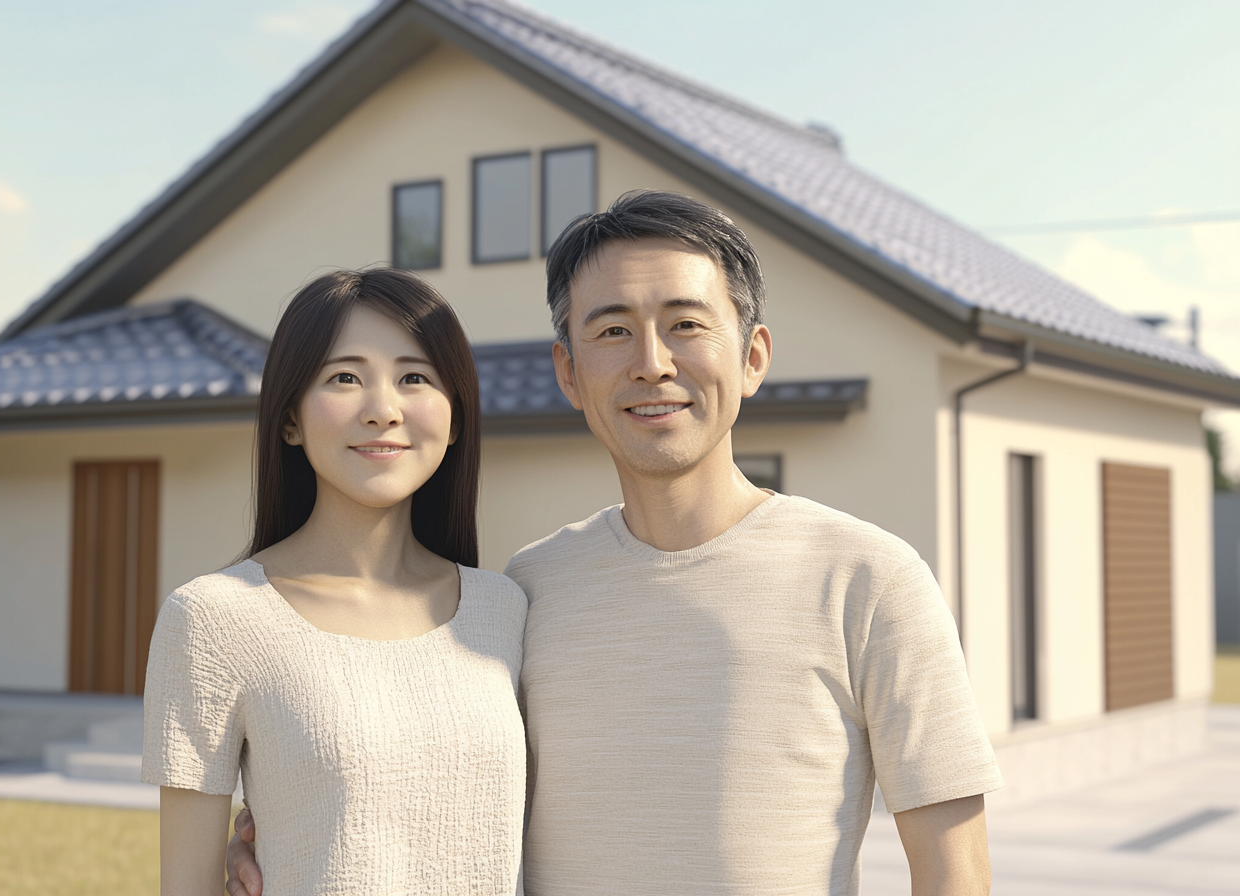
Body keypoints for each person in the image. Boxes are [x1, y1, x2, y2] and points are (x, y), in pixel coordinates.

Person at [227, 192, 1003, 896]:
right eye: (613, 331)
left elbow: (954, 871)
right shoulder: (528, 591)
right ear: (568, 371)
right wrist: (278, 837)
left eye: (687, 325)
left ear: (754, 355)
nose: (652, 363)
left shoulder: (868, 578)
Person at [142, 269, 527, 896]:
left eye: (415, 377)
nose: (383, 409)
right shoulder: (213, 618)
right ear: (289, 419)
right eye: (344, 378)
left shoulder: (506, 610)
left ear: (455, 420)